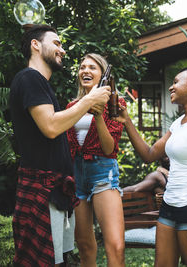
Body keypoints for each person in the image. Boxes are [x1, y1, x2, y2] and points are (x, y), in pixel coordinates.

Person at [9, 25, 110, 266]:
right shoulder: (29, 77)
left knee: (59, 261)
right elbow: (51, 127)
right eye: (56, 43)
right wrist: (89, 100)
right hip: (41, 191)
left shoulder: (40, 83)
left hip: (55, 192)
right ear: (36, 45)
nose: (62, 50)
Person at [115, 65, 187, 267]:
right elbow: (149, 154)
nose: (171, 87)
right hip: (169, 205)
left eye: (175, 82)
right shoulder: (178, 123)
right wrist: (126, 121)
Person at [66, 53, 126, 267]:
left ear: (103, 75)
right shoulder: (72, 106)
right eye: (82, 67)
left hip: (103, 171)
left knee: (116, 246)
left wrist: (98, 114)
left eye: (92, 67)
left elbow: (110, 148)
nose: (86, 71)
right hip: (77, 173)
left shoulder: (115, 105)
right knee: (84, 245)